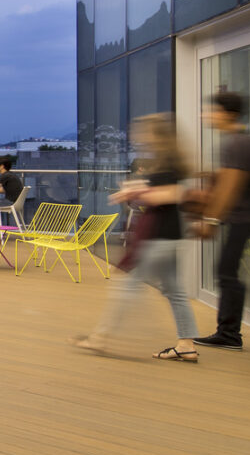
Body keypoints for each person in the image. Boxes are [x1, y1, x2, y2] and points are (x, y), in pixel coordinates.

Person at [72, 115, 199, 362]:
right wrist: (136, 190)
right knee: (175, 291)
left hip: (159, 237)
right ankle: (186, 344)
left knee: (126, 285)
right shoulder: (167, 162)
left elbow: (170, 195)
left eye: (144, 132)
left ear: (157, 136)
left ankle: (99, 338)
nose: (139, 136)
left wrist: (135, 192)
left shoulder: (168, 164)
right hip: (171, 235)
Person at [192, 90, 250, 353]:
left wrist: (210, 220)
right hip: (246, 218)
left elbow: (231, 187)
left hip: (243, 219)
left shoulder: (235, 143)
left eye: (212, 110)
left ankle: (230, 334)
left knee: (228, 273)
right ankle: (230, 332)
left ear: (229, 114)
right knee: (231, 274)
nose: (207, 115)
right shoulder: (242, 141)